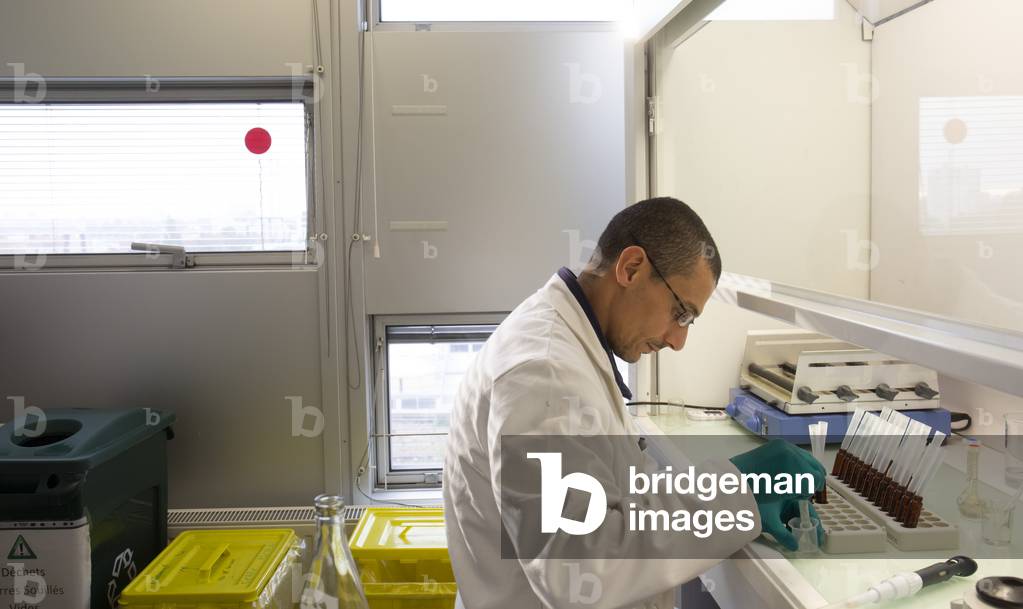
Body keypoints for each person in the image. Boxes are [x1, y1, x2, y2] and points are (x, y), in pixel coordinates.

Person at [443, 197, 825, 609]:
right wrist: (736, 490)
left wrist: (730, 493)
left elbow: (612, 497)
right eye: (681, 314)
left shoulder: (567, 347)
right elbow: (577, 565)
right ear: (631, 268)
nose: (678, 341)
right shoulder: (542, 372)